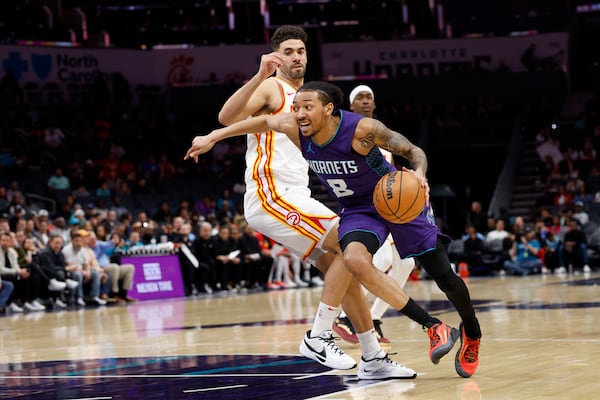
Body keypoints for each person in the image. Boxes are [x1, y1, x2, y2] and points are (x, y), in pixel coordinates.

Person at [186, 80, 482, 378]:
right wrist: (215, 136)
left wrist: (419, 175)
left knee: (445, 277)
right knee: (352, 258)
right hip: (358, 209)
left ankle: (472, 332)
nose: (299, 113)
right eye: (296, 107)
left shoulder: (362, 130)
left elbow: (412, 150)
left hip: (396, 199)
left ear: (329, 109)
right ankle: (433, 327)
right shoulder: (295, 128)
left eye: (307, 107)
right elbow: (262, 120)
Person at [188, 25, 427, 380]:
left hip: (297, 193)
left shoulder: (307, 98)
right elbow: (227, 117)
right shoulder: (272, 86)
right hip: (272, 193)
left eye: (301, 50)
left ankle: (372, 356)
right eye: (288, 51)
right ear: (275, 55)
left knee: (342, 269)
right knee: (354, 247)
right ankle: (318, 336)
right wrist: (257, 77)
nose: (296, 56)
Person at [334, 84, 416, 344]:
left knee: (406, 263)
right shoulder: (348, 132)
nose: (366, 101)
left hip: (387, 207)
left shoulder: (381, 134)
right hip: (364, 209)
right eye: (360, 97)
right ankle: (338, 314)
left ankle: (374, 318)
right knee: (377, 263)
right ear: (351, 106)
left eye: (369, 97)